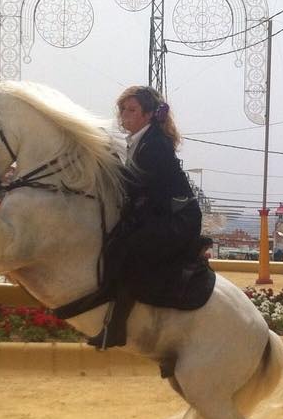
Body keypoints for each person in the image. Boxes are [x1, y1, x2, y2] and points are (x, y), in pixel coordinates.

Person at [87, 85, 203, 349]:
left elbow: (135, 186)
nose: (124, 115)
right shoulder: (140, 139)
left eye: (131, 110)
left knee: (129, 250)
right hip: (160, 214)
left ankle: (116, 328)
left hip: (178, 220)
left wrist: (108, 160)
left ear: (148, 114)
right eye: (123, 110)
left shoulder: (154, 144)